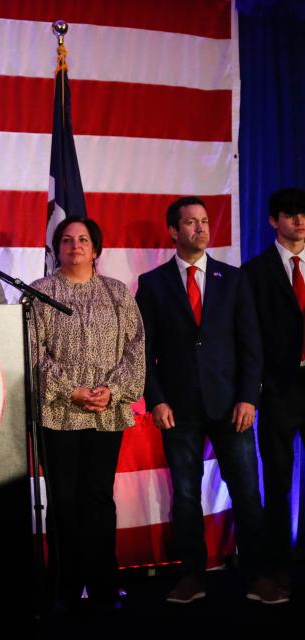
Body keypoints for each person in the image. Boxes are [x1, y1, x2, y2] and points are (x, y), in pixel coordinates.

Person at [136, 196, 283, 604]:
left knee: (247, 492)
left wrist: (248, 399)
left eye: (204, 221)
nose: (200, 228)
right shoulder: (153, 283)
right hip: (178, 409)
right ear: (173, 231)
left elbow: (251, 346)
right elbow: (143, 351)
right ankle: (192, 576)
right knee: (185, 495)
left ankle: (259, 576)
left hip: (230, 406)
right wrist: (157, 400)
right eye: (190, 223)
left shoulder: (233, 279)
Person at [29, 215, 144, 611]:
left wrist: (110, 391)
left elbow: (136, 349)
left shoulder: (117, 294)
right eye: (66, 240)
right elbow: (32, 352)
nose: (75, 245)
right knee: (63, 498)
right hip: (59, 413)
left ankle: (103, 582)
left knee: (97, 498)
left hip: (105, 413)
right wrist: (70, 390)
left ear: (96, 249)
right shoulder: (40, 293)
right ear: (55, 248)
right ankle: (65, 583)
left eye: (83, 240)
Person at [242, 187, 305, 595]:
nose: (300, 220)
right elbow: (250, 338)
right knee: (279, 481)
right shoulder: (255, 272)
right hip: (280, 390)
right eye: (290, 214)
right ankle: (278, 568)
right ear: (273, 220)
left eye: (304, 214)